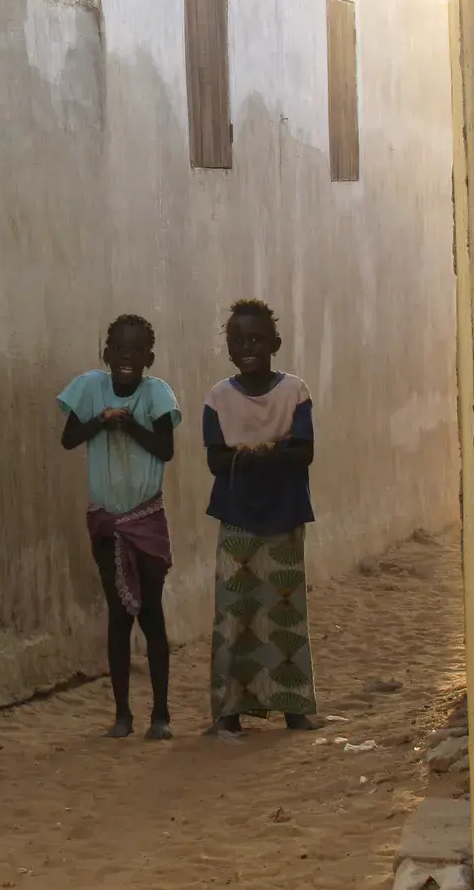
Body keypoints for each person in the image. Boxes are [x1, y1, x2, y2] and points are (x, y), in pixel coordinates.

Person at [58, 315, 181, 740]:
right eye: (119, 350)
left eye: (136, 351)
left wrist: (131, 426)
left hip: (145, 519)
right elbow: (69, 438)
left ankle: (161, 713)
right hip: (108, 523)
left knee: (151, 615)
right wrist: (102, 421)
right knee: (118, 616)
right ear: (106, 353)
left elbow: (165, 449)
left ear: (149, 357)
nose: (127, 358)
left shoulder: (156, 394)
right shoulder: (91, 388)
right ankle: (122, 714)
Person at [203, 298, 318, 736]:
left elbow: (304, 452)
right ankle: (227, 711)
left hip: (284, 515)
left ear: (275, 343)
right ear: (229, 347)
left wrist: (251, 456)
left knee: (285, 613)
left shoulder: (294, 391)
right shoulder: (218, 397)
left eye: (255, 339)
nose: (246, 346)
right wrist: (273, 451)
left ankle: (293, 708)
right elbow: (215, 460)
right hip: (237, 516)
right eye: (237, 340)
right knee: (234, 611)